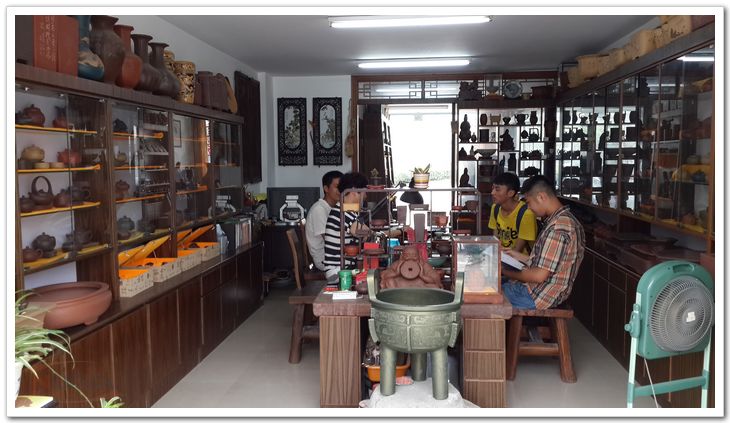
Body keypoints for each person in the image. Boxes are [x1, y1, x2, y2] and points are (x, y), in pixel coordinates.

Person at [501, 176, 585, 310]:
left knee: (486, 293)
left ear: (541, 197)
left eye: (529, 203)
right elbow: (546, 263)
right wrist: (515, 255)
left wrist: (504, 271)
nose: (529, 208)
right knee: (492, 285)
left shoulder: (559, 227)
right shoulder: (559, 220)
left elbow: (538, 276)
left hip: (538, 295)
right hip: (537, 290)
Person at [322, 172, 405, 284]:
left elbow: (368, 234)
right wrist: (400, 231)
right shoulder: (343, 213)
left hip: (345, 268)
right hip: (337, 273)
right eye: (364, 192)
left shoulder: (346, 210)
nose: (365, 196)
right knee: (383, 277)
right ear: (353, 191)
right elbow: (369, 235)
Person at [487, 172, 537, 254]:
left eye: (497, 189)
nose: (492, 193)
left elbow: (517, 251)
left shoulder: (526, 213)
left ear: (510, 193)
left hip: (520, 259)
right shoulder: (495, 208)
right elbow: (496, 241)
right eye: (492, 188)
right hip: (503, 256)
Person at [305, 170, 342, 272]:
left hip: (334, 255)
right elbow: (329, 240)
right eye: (337, 187)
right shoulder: (319, 209)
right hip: (324, 259)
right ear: (326, 189)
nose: (340, 190)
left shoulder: (333, 207)